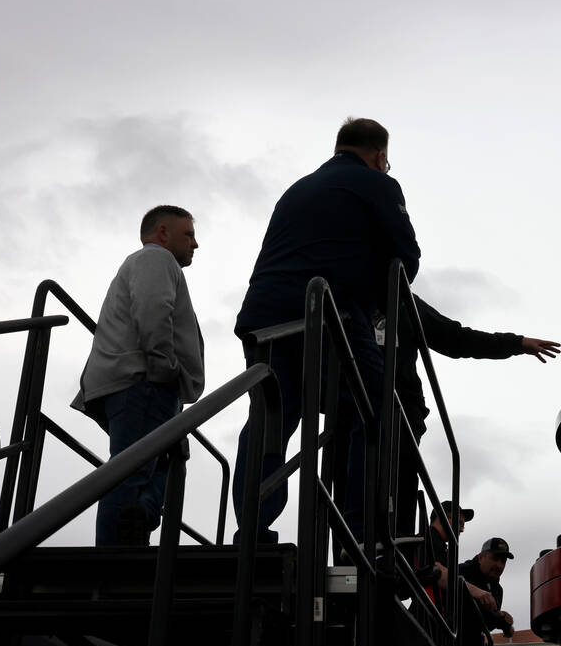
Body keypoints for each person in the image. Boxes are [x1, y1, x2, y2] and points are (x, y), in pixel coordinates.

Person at [232, 118, 420, 543]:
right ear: (380, 156)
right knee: (375, 411)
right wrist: (376, 309)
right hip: (329, 315)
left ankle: (253, 530)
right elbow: (406, 260)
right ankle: (359, 532)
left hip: (266, 318)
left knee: (271, 418)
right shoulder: (379, 184)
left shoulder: (297, 189)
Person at [72, 205, 204, 546]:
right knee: (131, 473)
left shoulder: (146, 263)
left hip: (142, 384)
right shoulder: (156, 259)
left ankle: (141, 518)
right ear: (163, 233)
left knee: (162, 462)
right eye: (188, 234)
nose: (195, 243)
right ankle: (114, 568)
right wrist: (166, 369)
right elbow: (153, 310)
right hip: (144, 382)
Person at [390, 296, 560, 534]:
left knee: (398, 483)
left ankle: (394, 551)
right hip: (352, 406)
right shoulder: (341, 290)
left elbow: (456, 338)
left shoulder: (404, 301)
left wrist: (516, 344)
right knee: (350, 476)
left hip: (400, 415)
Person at [458, 537, 516, 639]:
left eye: (503, 561)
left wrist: (503, 620)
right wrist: (501, 619)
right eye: (495, 558)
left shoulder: (498, 590)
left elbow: (488, 624)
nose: (499, 565)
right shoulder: (460, 572)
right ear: (480, 558)